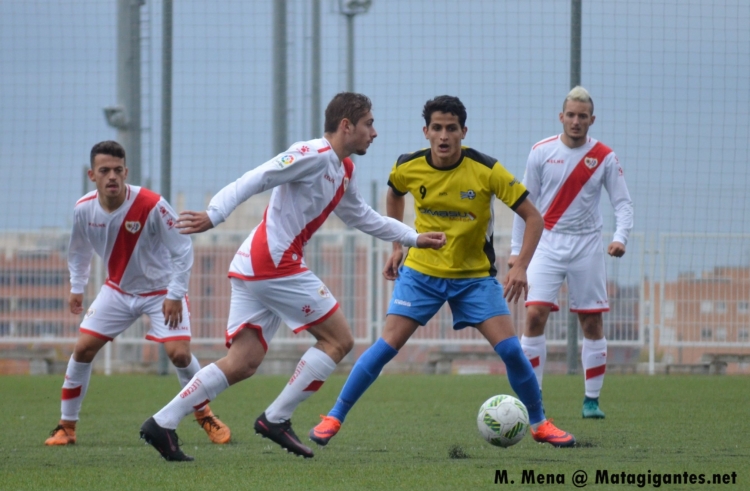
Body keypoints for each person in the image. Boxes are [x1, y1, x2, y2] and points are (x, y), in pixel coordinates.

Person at [139, 92, 446, 461]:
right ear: (346, 126)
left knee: (243, 363)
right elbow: (259, 176)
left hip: (256, 265)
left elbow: (362, 216)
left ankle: (163, 422)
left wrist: (412, 237)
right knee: (339, 340)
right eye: (369, 124)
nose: (374, 133)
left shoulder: (344, 169)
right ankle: (276, 418)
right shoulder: (311, 154)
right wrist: (214, 214)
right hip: (273, 262)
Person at [310, 95, 576, 449]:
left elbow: (534, 217)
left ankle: (540, 423)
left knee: (512, 351)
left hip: (474, 279)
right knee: (386, 347)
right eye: (437, 128)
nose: (444, 135)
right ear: (426, 132)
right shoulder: (408, 166)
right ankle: (334, 416)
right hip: (422, 274)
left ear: (464, 131)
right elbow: (394, 195)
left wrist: (521, 265)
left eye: (452, 128)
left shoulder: (487, 170)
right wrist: (397, 247)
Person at [45, 140, 231, 447]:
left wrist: (175, 293)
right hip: (117, 290)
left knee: (180, 354)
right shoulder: (83, 209)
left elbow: (183, 249)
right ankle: (67, 427)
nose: (112, 176)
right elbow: (78, 251)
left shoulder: (151, 204)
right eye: (104, 171)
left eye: (118, 170)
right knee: (83, 349)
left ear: (126, 171)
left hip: (162, 292)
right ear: (93, 175)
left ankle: (204, 414)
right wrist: (77, 287)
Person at [509, 86, 634, 419]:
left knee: (591, 322)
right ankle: (533, 399)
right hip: (546, 242)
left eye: (583, 116)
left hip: (587, 245)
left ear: (592, 119)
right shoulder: (540, 152)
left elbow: (622, 202)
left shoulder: (605, 156)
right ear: (561, 117)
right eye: (571, 115)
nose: (576, 121)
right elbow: (524, 205)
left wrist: (620, 237)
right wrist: (514, 252)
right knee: (534, 315)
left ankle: (591, 400)